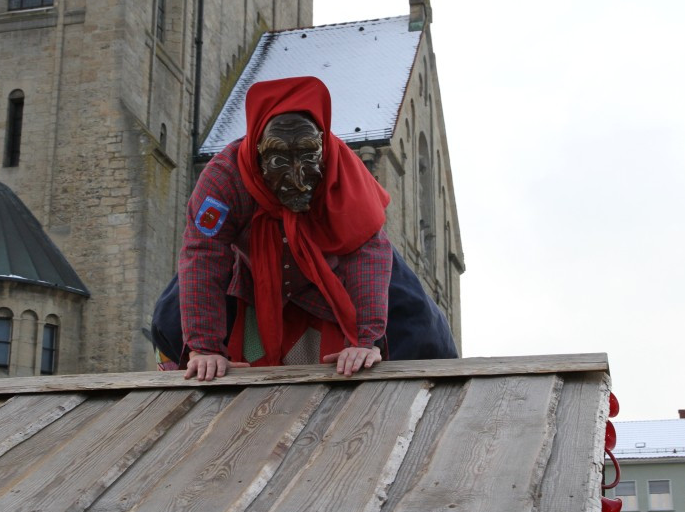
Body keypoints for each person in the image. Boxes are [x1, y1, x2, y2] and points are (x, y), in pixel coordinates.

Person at [152, 75, 458, 381]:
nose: (297, 179)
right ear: (257, 153)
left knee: (421, 330)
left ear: (323, 149)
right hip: (251, 270)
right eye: (279, 161)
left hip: (336, 270)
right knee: (170, 318)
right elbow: (204, 254)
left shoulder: (344, 172)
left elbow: (365, 252)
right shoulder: (224, 180)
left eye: (309, 157)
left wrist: (366, 340)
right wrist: (204, 347)